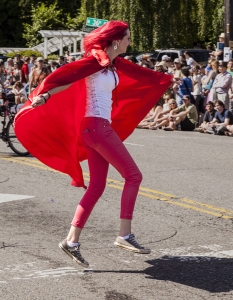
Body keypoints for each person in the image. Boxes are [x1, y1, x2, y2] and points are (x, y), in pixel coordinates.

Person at [14, 21, 173, 268]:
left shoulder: (112, 64)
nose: (130, 42)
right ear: (116, 41)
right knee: (133, 176)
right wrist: (45, 95)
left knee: (97, 186)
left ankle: (71, 241)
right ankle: (124, 235)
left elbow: (141, 75)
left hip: (95, 129)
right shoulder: (96, 62)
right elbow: (68, 77)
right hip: (97, 128)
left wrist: (164, 79)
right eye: (128, 38)